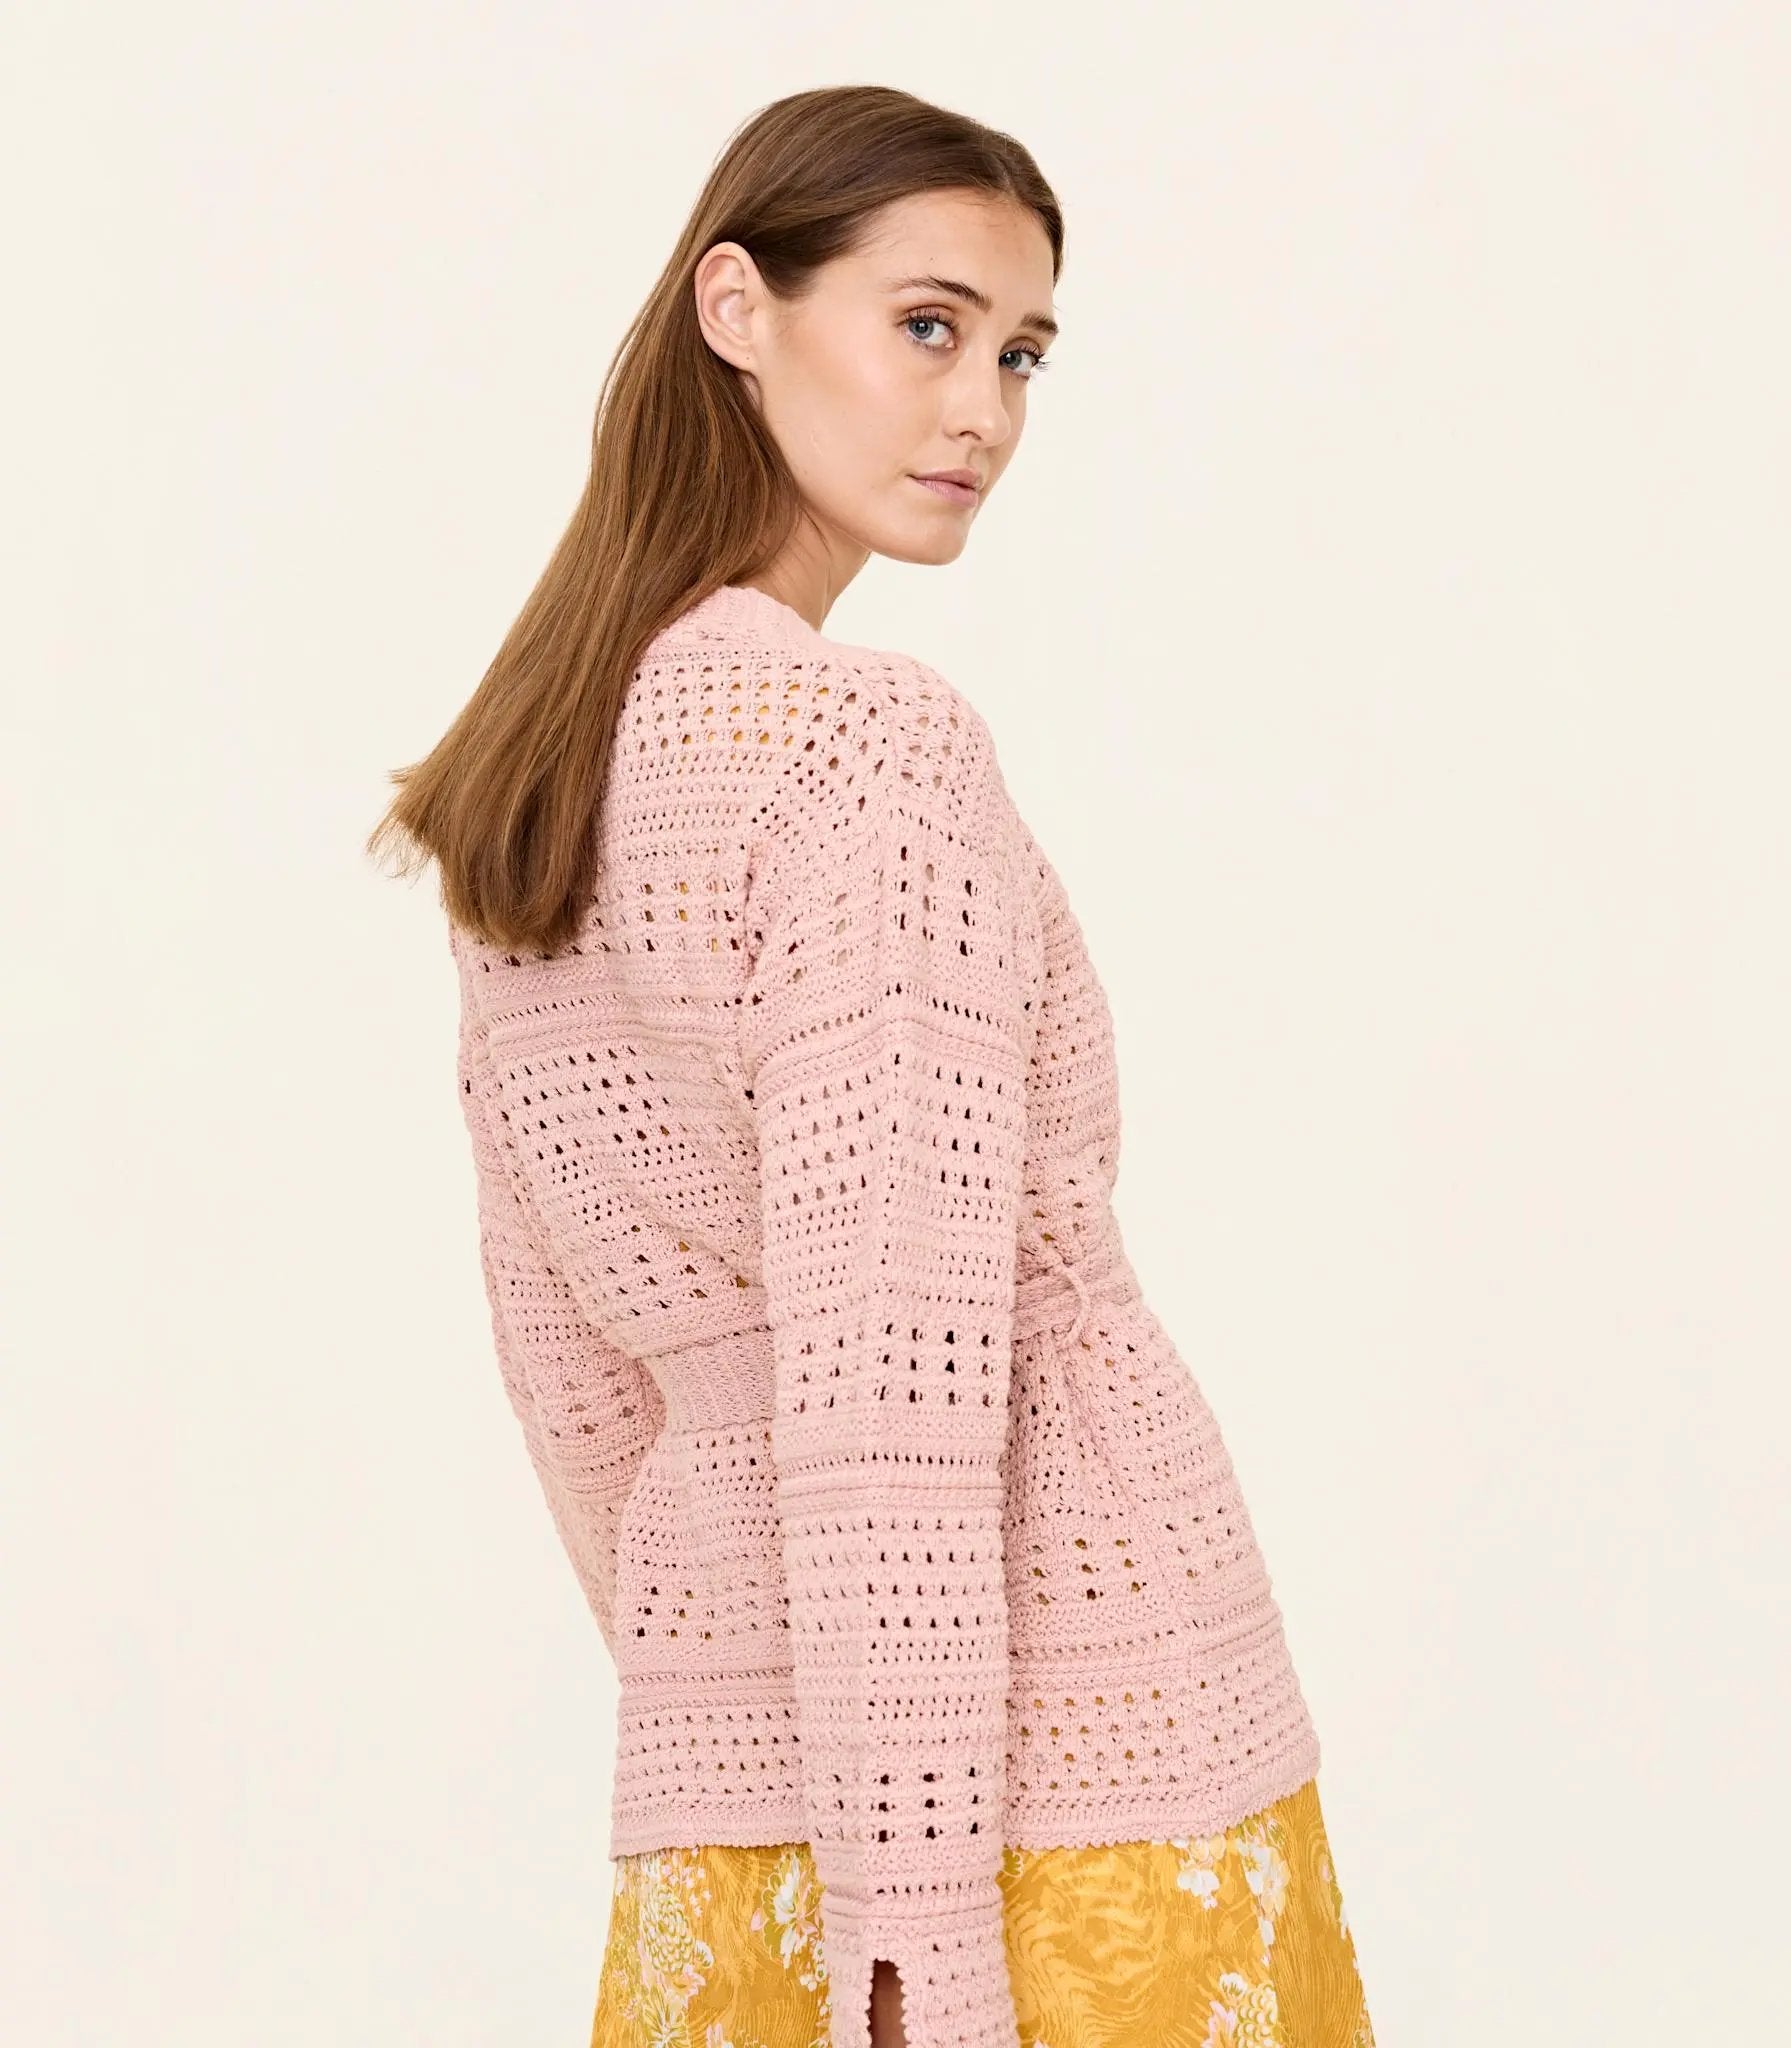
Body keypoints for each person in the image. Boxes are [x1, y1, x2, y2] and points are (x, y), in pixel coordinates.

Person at [370, 84, 1375, 2048]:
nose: (982, 409)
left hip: (732, 1782)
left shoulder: (535, 780)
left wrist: (740, 1714)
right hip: (1070, 1773)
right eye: (928, 325)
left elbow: (578, 1380)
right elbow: (890, 1404)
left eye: (1022, 354)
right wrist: (917, 1941)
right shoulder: (861, 752)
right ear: (736, 308)